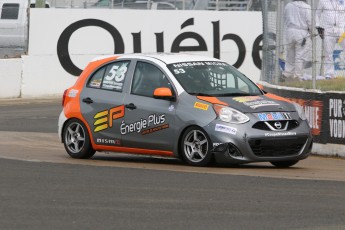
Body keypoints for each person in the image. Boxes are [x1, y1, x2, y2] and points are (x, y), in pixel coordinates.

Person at [283, 0, 312, 81]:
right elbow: (310, 22)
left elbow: (285, 19)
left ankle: (287, 73)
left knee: (290, 54)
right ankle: (297, 75)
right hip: (302, 31)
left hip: (290, 30)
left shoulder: (288, 5)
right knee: (300, 56)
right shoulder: (307, 7)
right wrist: (312, 32)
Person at [316, 0, 345, 79]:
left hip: (342, 31)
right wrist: (318, 26)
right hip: (328, 30)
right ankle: (329, 74)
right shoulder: (322, 1)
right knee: (328, 53)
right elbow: (317, 14)